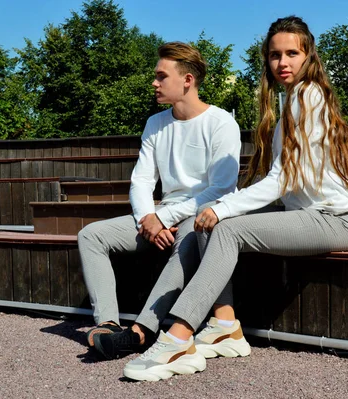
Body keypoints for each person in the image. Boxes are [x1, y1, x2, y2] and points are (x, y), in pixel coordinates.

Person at [120, 15, 348, 382]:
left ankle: (177, 337)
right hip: (310, 215)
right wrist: (217, 209)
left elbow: (281, 178)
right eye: (275, 55)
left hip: (333, 220)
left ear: (308, 55)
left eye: (292, 53)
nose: (282, 63)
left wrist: (222, 207)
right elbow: (281, 178)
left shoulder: (307, 96)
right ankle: (226, 325)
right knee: (210, 220)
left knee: (223, 223)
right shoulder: (293, 99)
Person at [77, 41, 242, 359]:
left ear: (187, 81)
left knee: (188, 238)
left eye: (161, 76)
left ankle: (141, 332)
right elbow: (140, 180)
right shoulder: (155, 124)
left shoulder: (221, 123)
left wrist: (162, 220)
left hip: (201, 217)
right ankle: (108, 325)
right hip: (159, 216)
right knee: (91, 235)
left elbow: (220, 189)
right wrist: (146, 219)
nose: (154, 82)